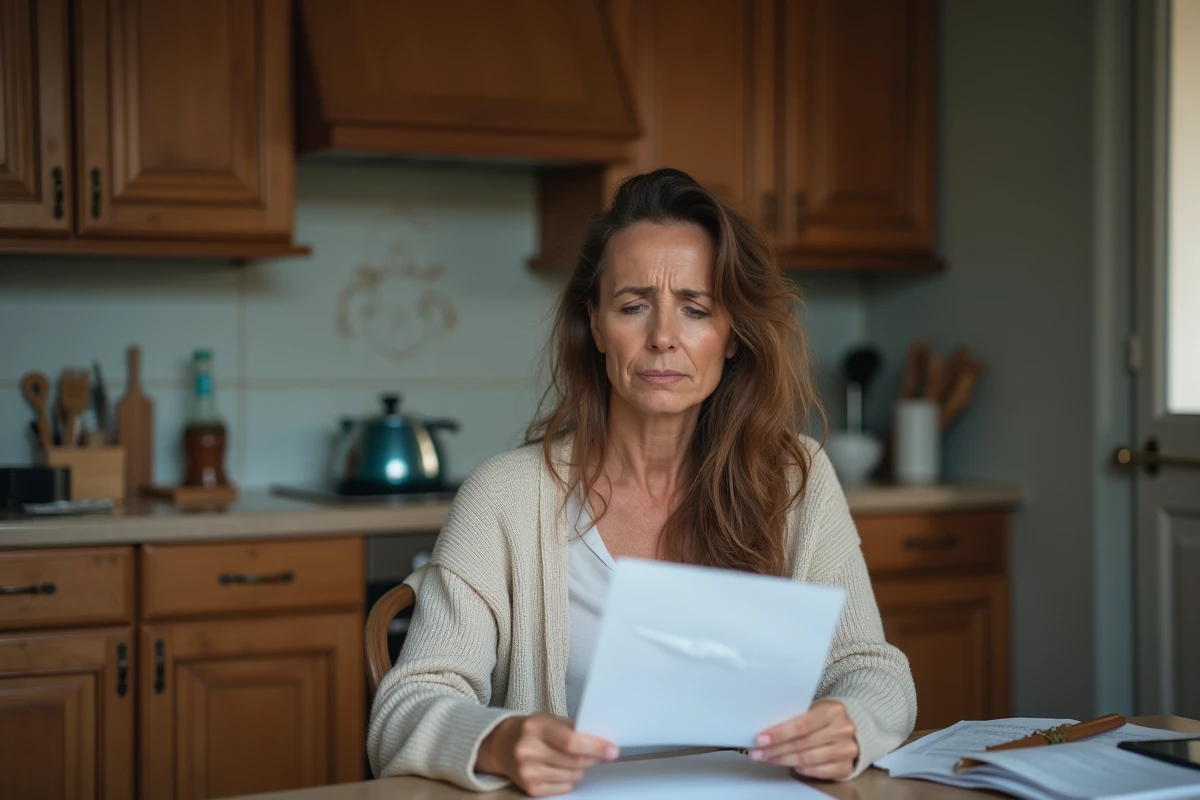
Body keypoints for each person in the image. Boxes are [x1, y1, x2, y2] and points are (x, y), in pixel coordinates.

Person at [367, 168, 917, 797]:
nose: (662, 338)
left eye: (695, 308)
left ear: (732, 334)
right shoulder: (506, 496)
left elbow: (872, 670)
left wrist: (848, 724)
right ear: (597, 325)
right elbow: (404, 707)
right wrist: (500, 741)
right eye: (633, 306)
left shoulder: (796, 477)